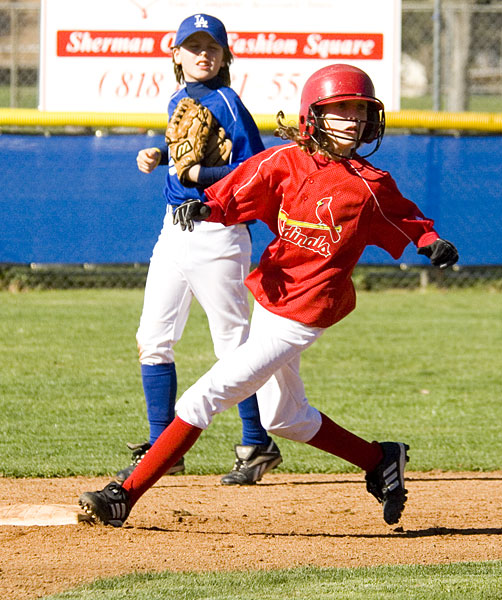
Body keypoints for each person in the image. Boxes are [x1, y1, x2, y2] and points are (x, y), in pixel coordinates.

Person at [80, 63, 459, 528]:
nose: (354, 119)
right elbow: (239, 188)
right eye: (341, 109)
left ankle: (124, 496)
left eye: (361, 111)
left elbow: (406, 217)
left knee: (203, 397)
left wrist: (429, 241)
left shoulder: (369, 185)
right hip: (271, 298)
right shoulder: (283, 162)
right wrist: (208, 206)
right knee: (284, 417)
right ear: (313, 115)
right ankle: (380, 459)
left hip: (307, 313)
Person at [115, 13, 282, 486]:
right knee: (152, 338)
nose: (203, 54)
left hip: (218, 232)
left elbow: (256, 168)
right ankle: (162, 448)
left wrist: (197, 175)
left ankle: (257, 442)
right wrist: (160, 154)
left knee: (232, 345)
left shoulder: (228, 102)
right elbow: (187, 148)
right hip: (173, 231)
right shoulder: (178, 99)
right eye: (194, 46)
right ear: (176, 54)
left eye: (212, 47)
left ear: (225, 56)